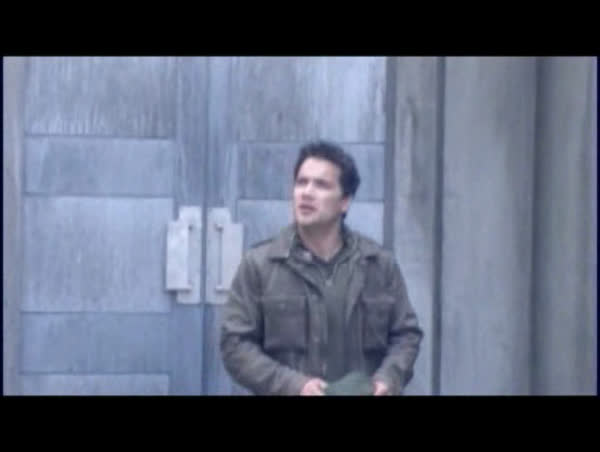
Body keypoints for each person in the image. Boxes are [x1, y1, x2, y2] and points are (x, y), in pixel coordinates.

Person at [220, 140, 423, 395]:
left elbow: (406, 336)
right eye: (301, 182)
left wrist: (388, 380)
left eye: (321, 185)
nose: (306, 192)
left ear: (344, 201)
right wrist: (294, 385)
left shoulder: (378, 265)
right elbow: (236, 345)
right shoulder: (261, 265)